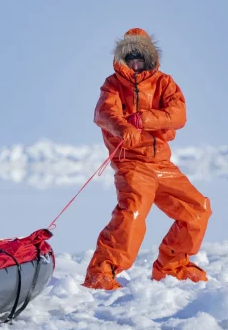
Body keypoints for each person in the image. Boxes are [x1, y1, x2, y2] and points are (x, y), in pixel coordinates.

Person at [82, 28, 212, 290]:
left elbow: (178, 115)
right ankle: (101, 273)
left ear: (150, 58)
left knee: (197, 209)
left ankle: (171, 268)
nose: (136, 64)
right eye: (130, 59)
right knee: (132, 213)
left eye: (140, 58)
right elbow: (104, 113)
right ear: (122, 60)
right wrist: (123, 128)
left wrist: (146, 119)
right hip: (132, 164)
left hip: (162, 165)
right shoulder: (112, 85)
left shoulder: (165, 83)